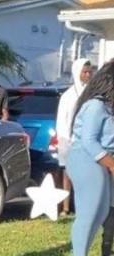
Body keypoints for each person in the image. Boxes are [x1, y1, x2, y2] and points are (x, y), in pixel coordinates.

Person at [66, 60, 114, 256]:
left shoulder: (108, 107)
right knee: (88, 212)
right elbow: (89, 141)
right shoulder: (96, 105)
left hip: (99, 161)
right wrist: (112, 165)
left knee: (101, 211)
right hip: (86, 160)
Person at [55, 58, 93, 215]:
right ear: (78, 73)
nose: (88, 74)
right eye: (85, 72)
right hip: (69, 141)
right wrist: (66, 141)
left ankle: (84, 207)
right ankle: (65, 207)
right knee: (68, 176)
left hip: (88, 140)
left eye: (90, 71)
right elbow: (62, 121)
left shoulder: (92, 93)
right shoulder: (68, 96)